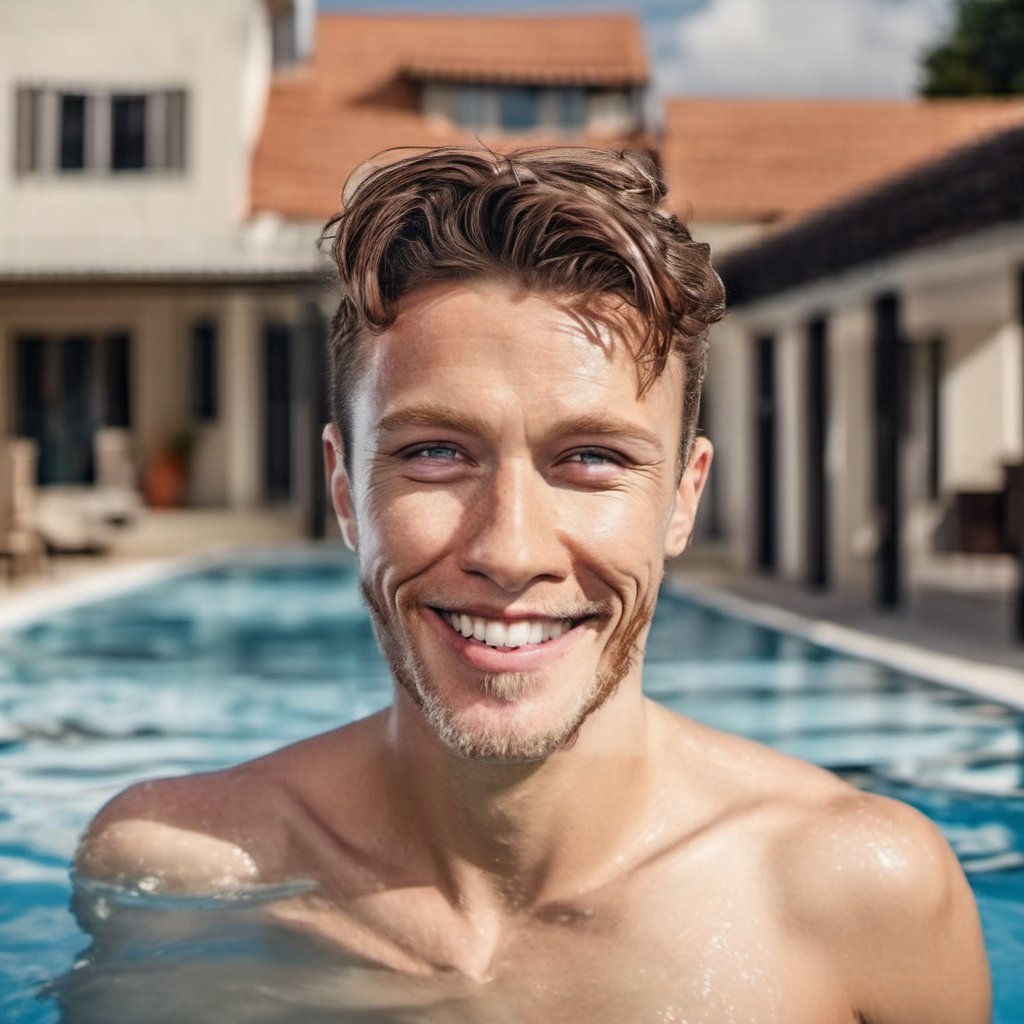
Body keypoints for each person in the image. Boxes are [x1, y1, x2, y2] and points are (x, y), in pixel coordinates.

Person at [76, 146, 990, 1023]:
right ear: (346, 492)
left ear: (683, 498)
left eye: (590, 458)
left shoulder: (862, 894)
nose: (510, 551)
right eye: (436, 453)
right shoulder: (175, 875)